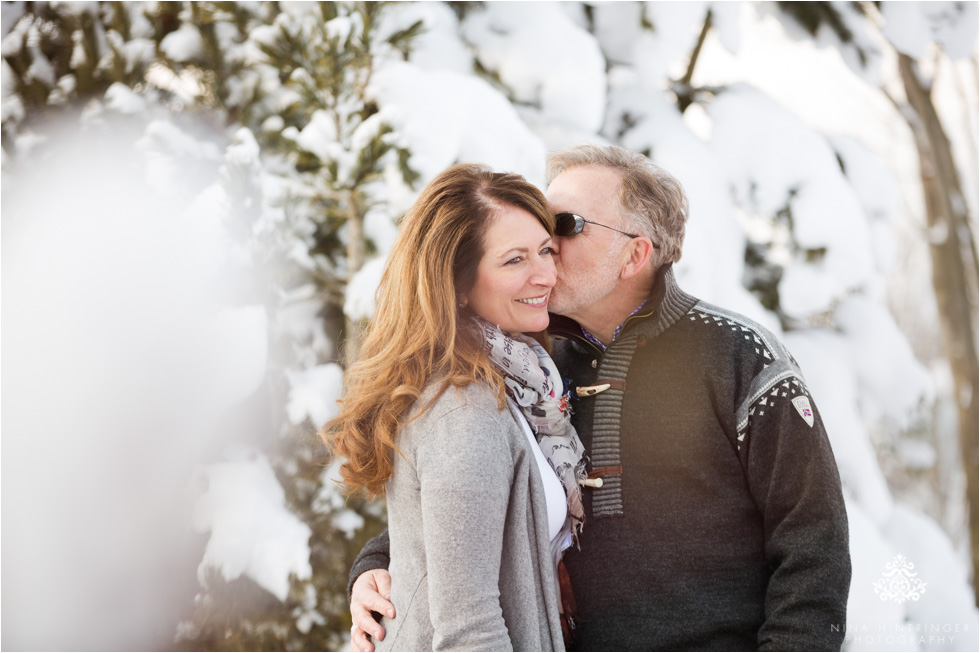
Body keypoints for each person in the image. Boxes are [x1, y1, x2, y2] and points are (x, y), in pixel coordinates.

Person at [347, 145, 852, 652]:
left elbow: (814, 548)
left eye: (564, 225)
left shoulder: (739, 357)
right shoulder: (533, 369)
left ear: (635, 254)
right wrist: (378, 565)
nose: (548, 245)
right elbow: (466, 502)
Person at [328, 163, 587, 651]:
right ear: (460, 284)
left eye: (546, 250)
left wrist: (374, 565)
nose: (546, 274)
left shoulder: (520, 380)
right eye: (514, 260)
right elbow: (470, 629)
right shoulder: (465, 411)